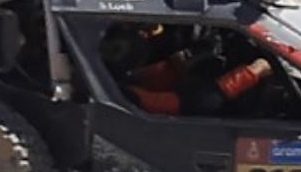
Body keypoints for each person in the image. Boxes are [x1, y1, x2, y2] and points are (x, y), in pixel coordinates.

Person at [102, 23, 274, 116]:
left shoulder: (110, 76)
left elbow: (149, 79)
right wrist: (252, 72)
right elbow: (195, 103)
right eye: (116, 50)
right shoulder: (123, 95)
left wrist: (179, 66)